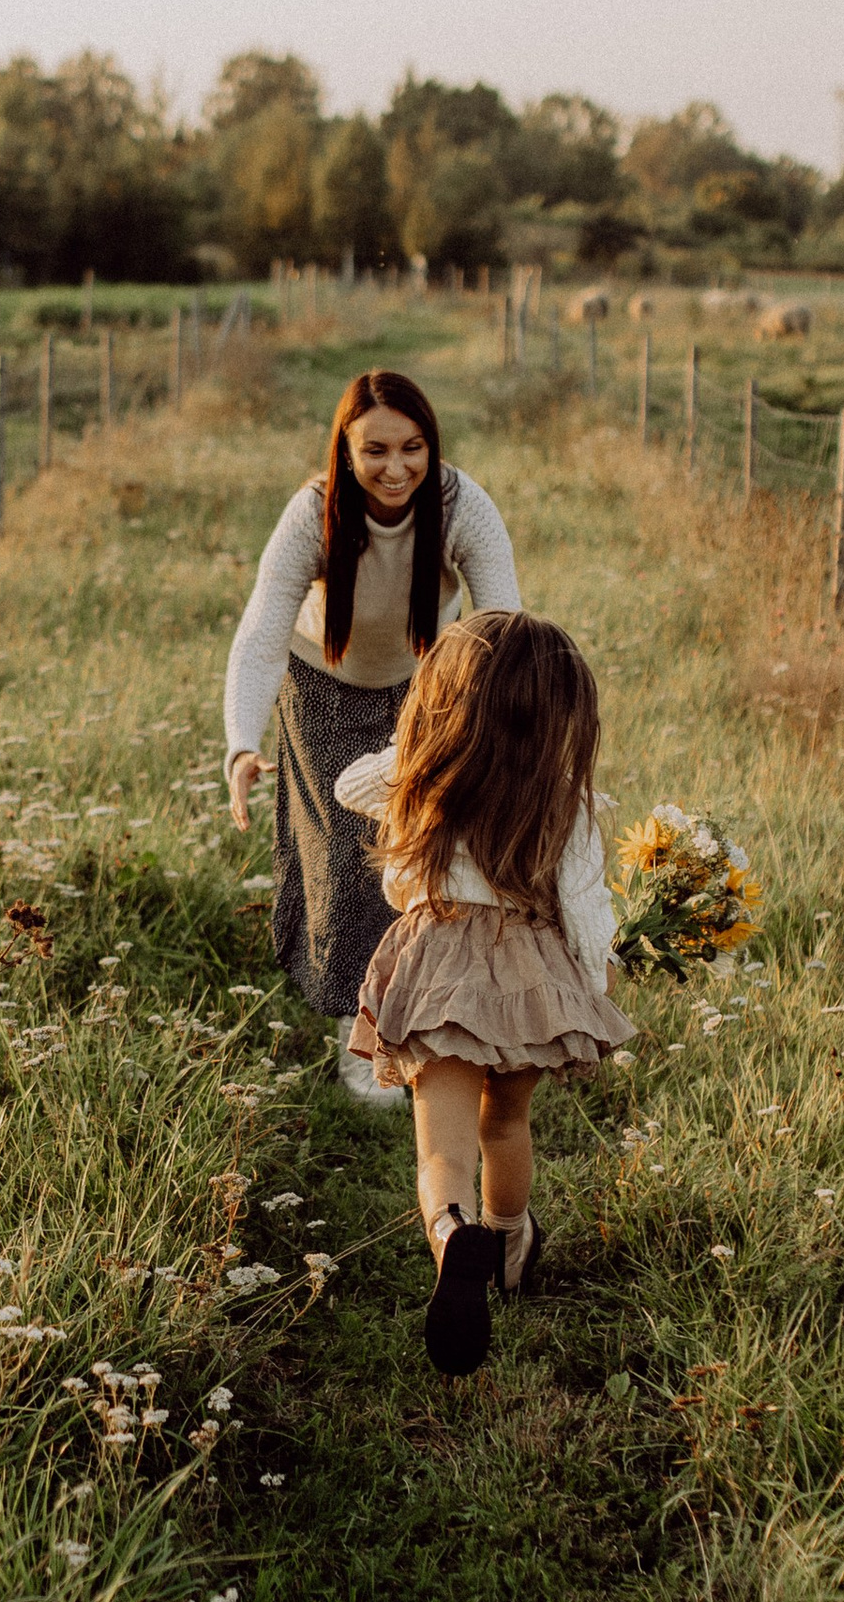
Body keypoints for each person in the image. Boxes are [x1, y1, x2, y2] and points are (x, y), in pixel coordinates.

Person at [334, 610, 634, 1376]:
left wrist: (424, 734)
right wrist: (591, 987)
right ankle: (508, 1240)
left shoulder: (424, 776)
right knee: (507, 1123)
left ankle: (453, 1232)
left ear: (448, 699)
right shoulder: (566, 802)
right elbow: (588, 907)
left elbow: (348, 784)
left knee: (443, 1147)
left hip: (439, 971)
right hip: (528, 979)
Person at [222, 370, 520, 1105]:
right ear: (345, 451)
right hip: (322, 685)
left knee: (426, 851)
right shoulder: (314, 511)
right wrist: (238, 742)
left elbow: (503, 623)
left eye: (412, 447)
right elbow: (261, 633)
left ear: (431, 447)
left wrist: (505, 731)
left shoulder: (459, 504)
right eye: (375, 450)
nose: (396, 468)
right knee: (350, 865)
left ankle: (429, 1012)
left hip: (425, 686)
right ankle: (365, 1039)